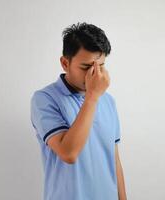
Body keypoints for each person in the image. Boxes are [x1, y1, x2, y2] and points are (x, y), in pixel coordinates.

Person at [30, 22, 127, 200]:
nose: (95, 74)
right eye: (86, 67)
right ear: (65, 63)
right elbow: (69, 153)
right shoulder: (44, 99)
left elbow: (114, 160)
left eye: (101, 66)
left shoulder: (108, 101)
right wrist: (92, 96)